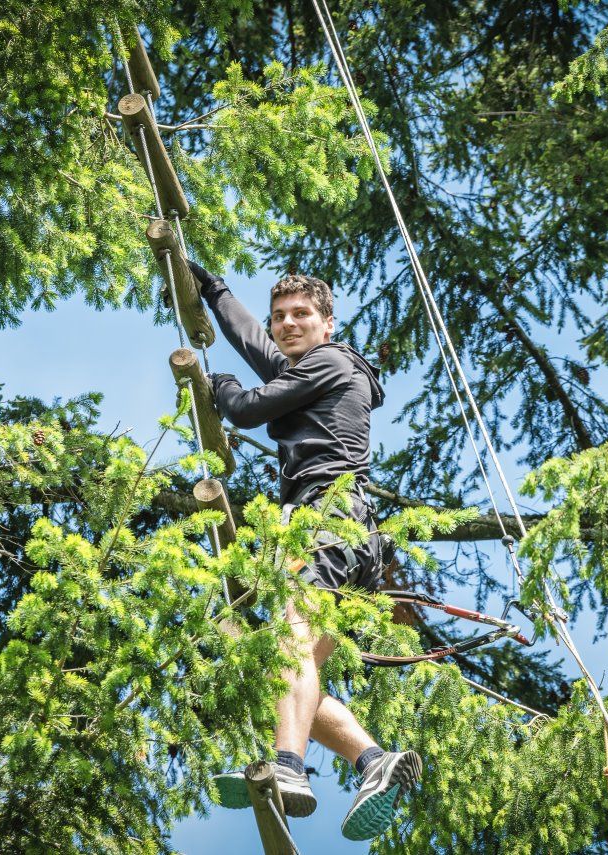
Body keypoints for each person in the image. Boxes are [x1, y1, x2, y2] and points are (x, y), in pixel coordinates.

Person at [186, 260, 421, 841]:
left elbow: (245, 408)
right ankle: (374, 761)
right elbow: (255, 343)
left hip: (327, 518)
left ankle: (289, 767)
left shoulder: (332, 362)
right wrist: (214, 291)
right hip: (346, 536)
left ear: (327, 323)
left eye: (302, 315)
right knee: (293, 666)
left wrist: (219, 387)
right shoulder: (308, 369)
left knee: (290, 644)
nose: (288, 324)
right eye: (280, 317)